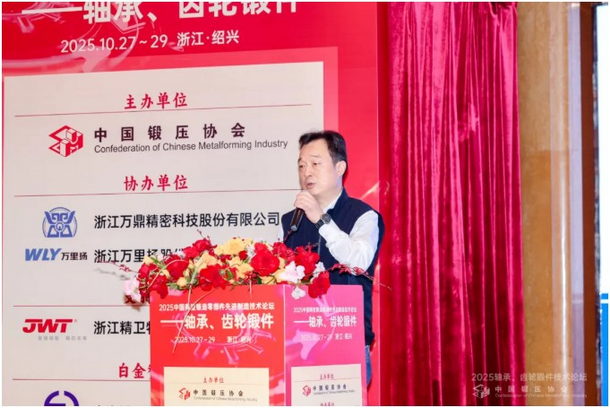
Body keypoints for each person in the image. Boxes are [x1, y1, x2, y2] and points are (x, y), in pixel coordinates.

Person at [280, 130, 384, 386]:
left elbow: (358, 262)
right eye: (302, 165)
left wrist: (321, 219)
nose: (307, 172)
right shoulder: (290, 221)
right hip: (297, 344)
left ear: (340, 168)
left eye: (315, 163)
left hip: (345, 340)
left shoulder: (364, 216)